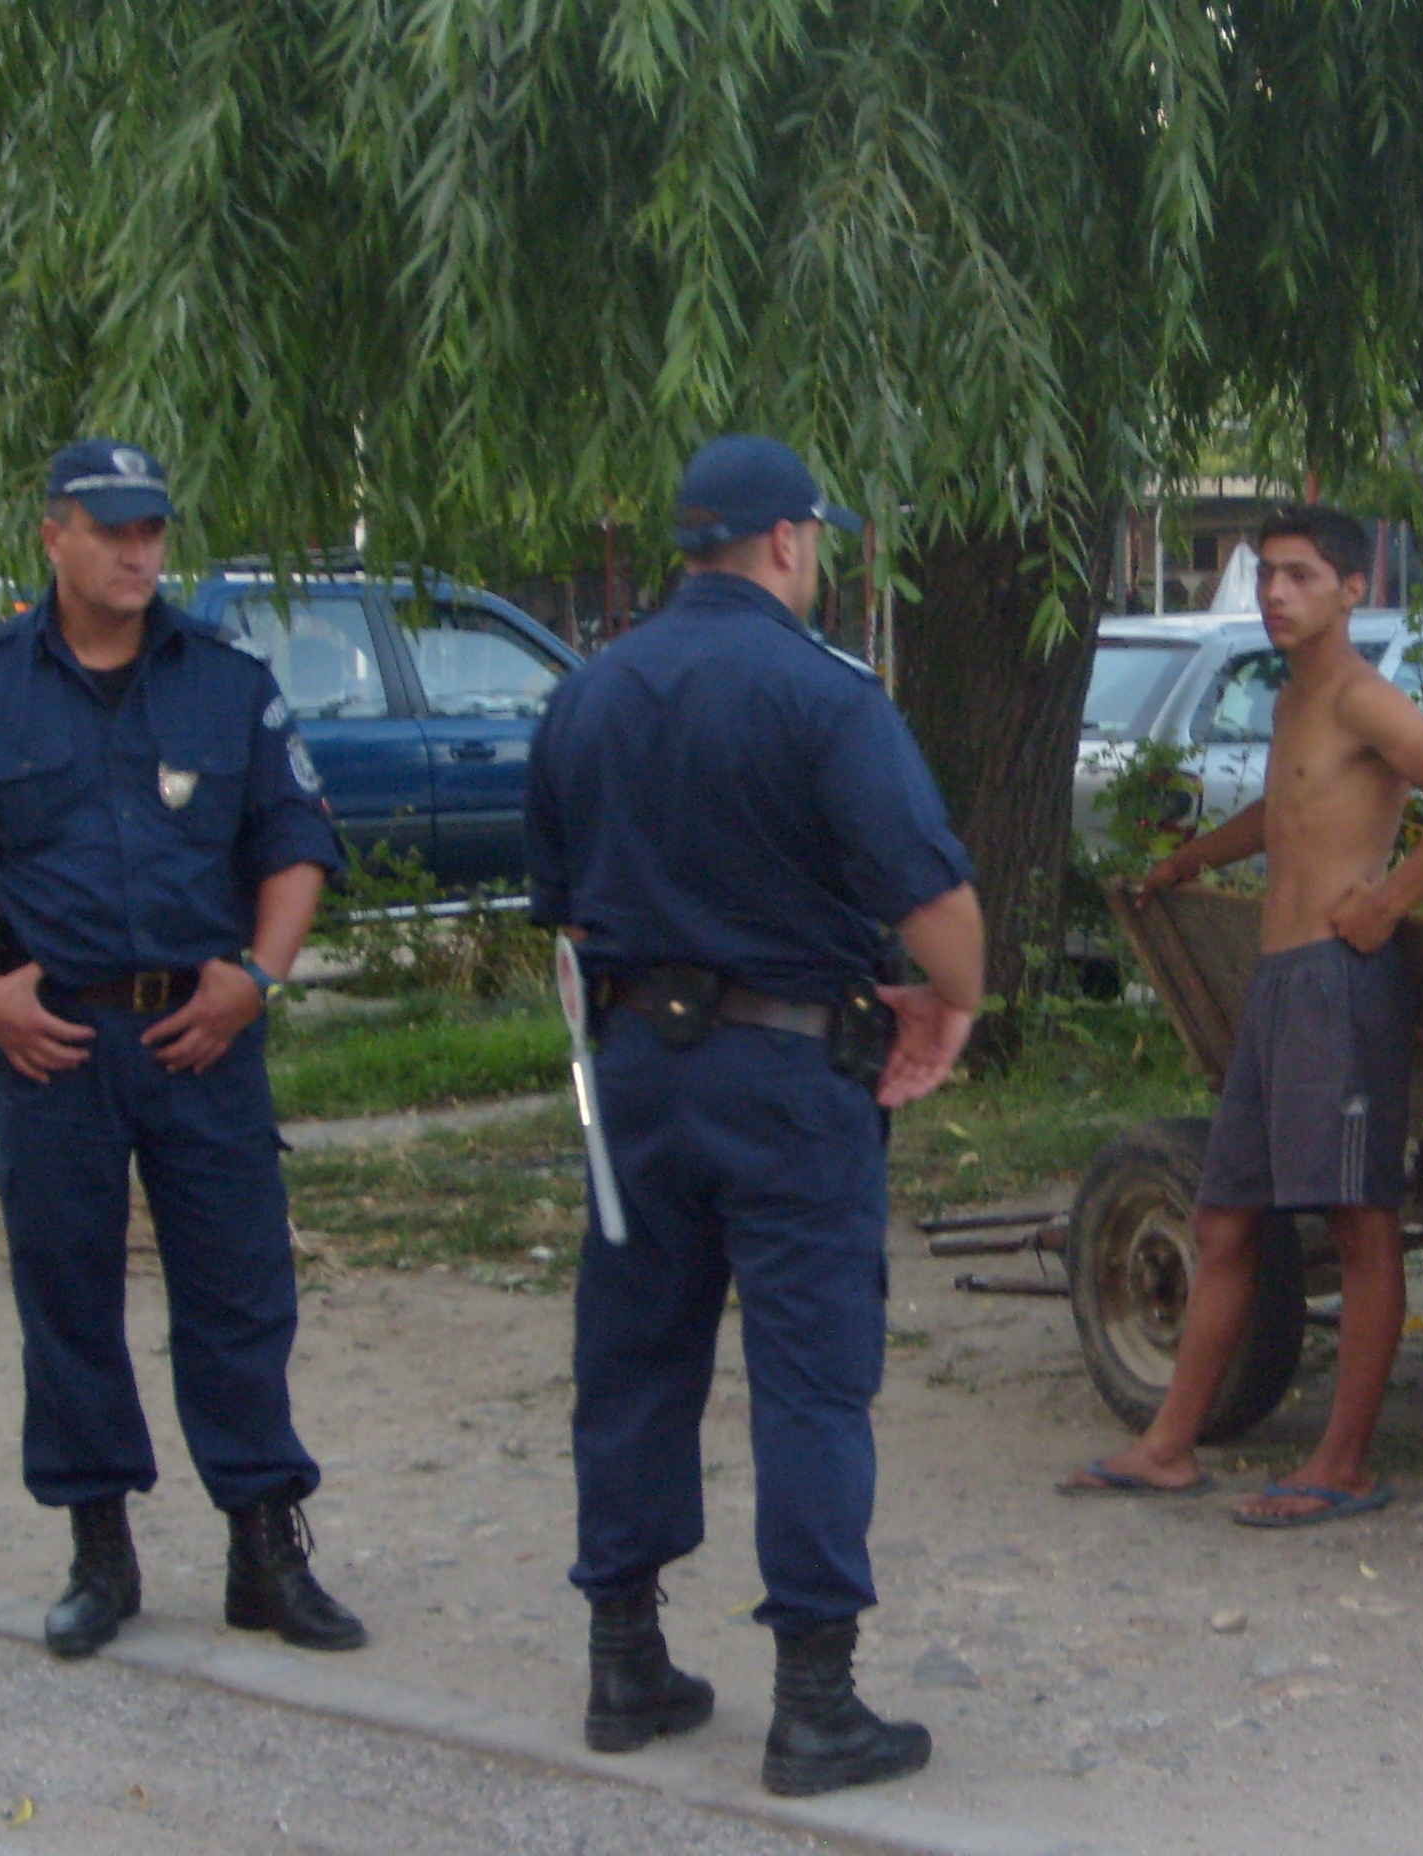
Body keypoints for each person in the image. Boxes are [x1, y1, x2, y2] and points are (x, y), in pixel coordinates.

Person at [525, 433, 982, 1798]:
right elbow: (935, 909)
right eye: (819, 538)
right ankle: (817, 1705)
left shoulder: (586, 696)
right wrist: (949, 1006)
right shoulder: (824, 697)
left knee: (634, 1358)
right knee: (809, 1377)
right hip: (789, 1081)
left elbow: (557, 907)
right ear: (788, 539)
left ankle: (626, 1660)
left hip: (635, 1077)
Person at [0, 440, 362, 1660]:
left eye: (152, 528)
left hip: (202, 1038)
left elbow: (295, 836)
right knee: (67, 1293)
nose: (140, 551)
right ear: (54, 537)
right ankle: (100, 1548)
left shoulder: (226, 681)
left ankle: (265, 1547)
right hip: (56, 1046)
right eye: (112, 530)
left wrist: (258, 978)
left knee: (241, 1290)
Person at [1058, 505, 1423, 1525]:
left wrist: (1389, 901)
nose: (1274, 592)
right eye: (1266, 574)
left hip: (1339, 985)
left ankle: (1342, 1464)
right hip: (1281, 984)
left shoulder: (1362, 697)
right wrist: (1197, 857)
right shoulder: (1297, 698)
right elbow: (1290, 807)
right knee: (1223, 1218)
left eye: (1300, 575)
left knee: (1358, 1223)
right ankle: (1171, 1443)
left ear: (1355, 589)